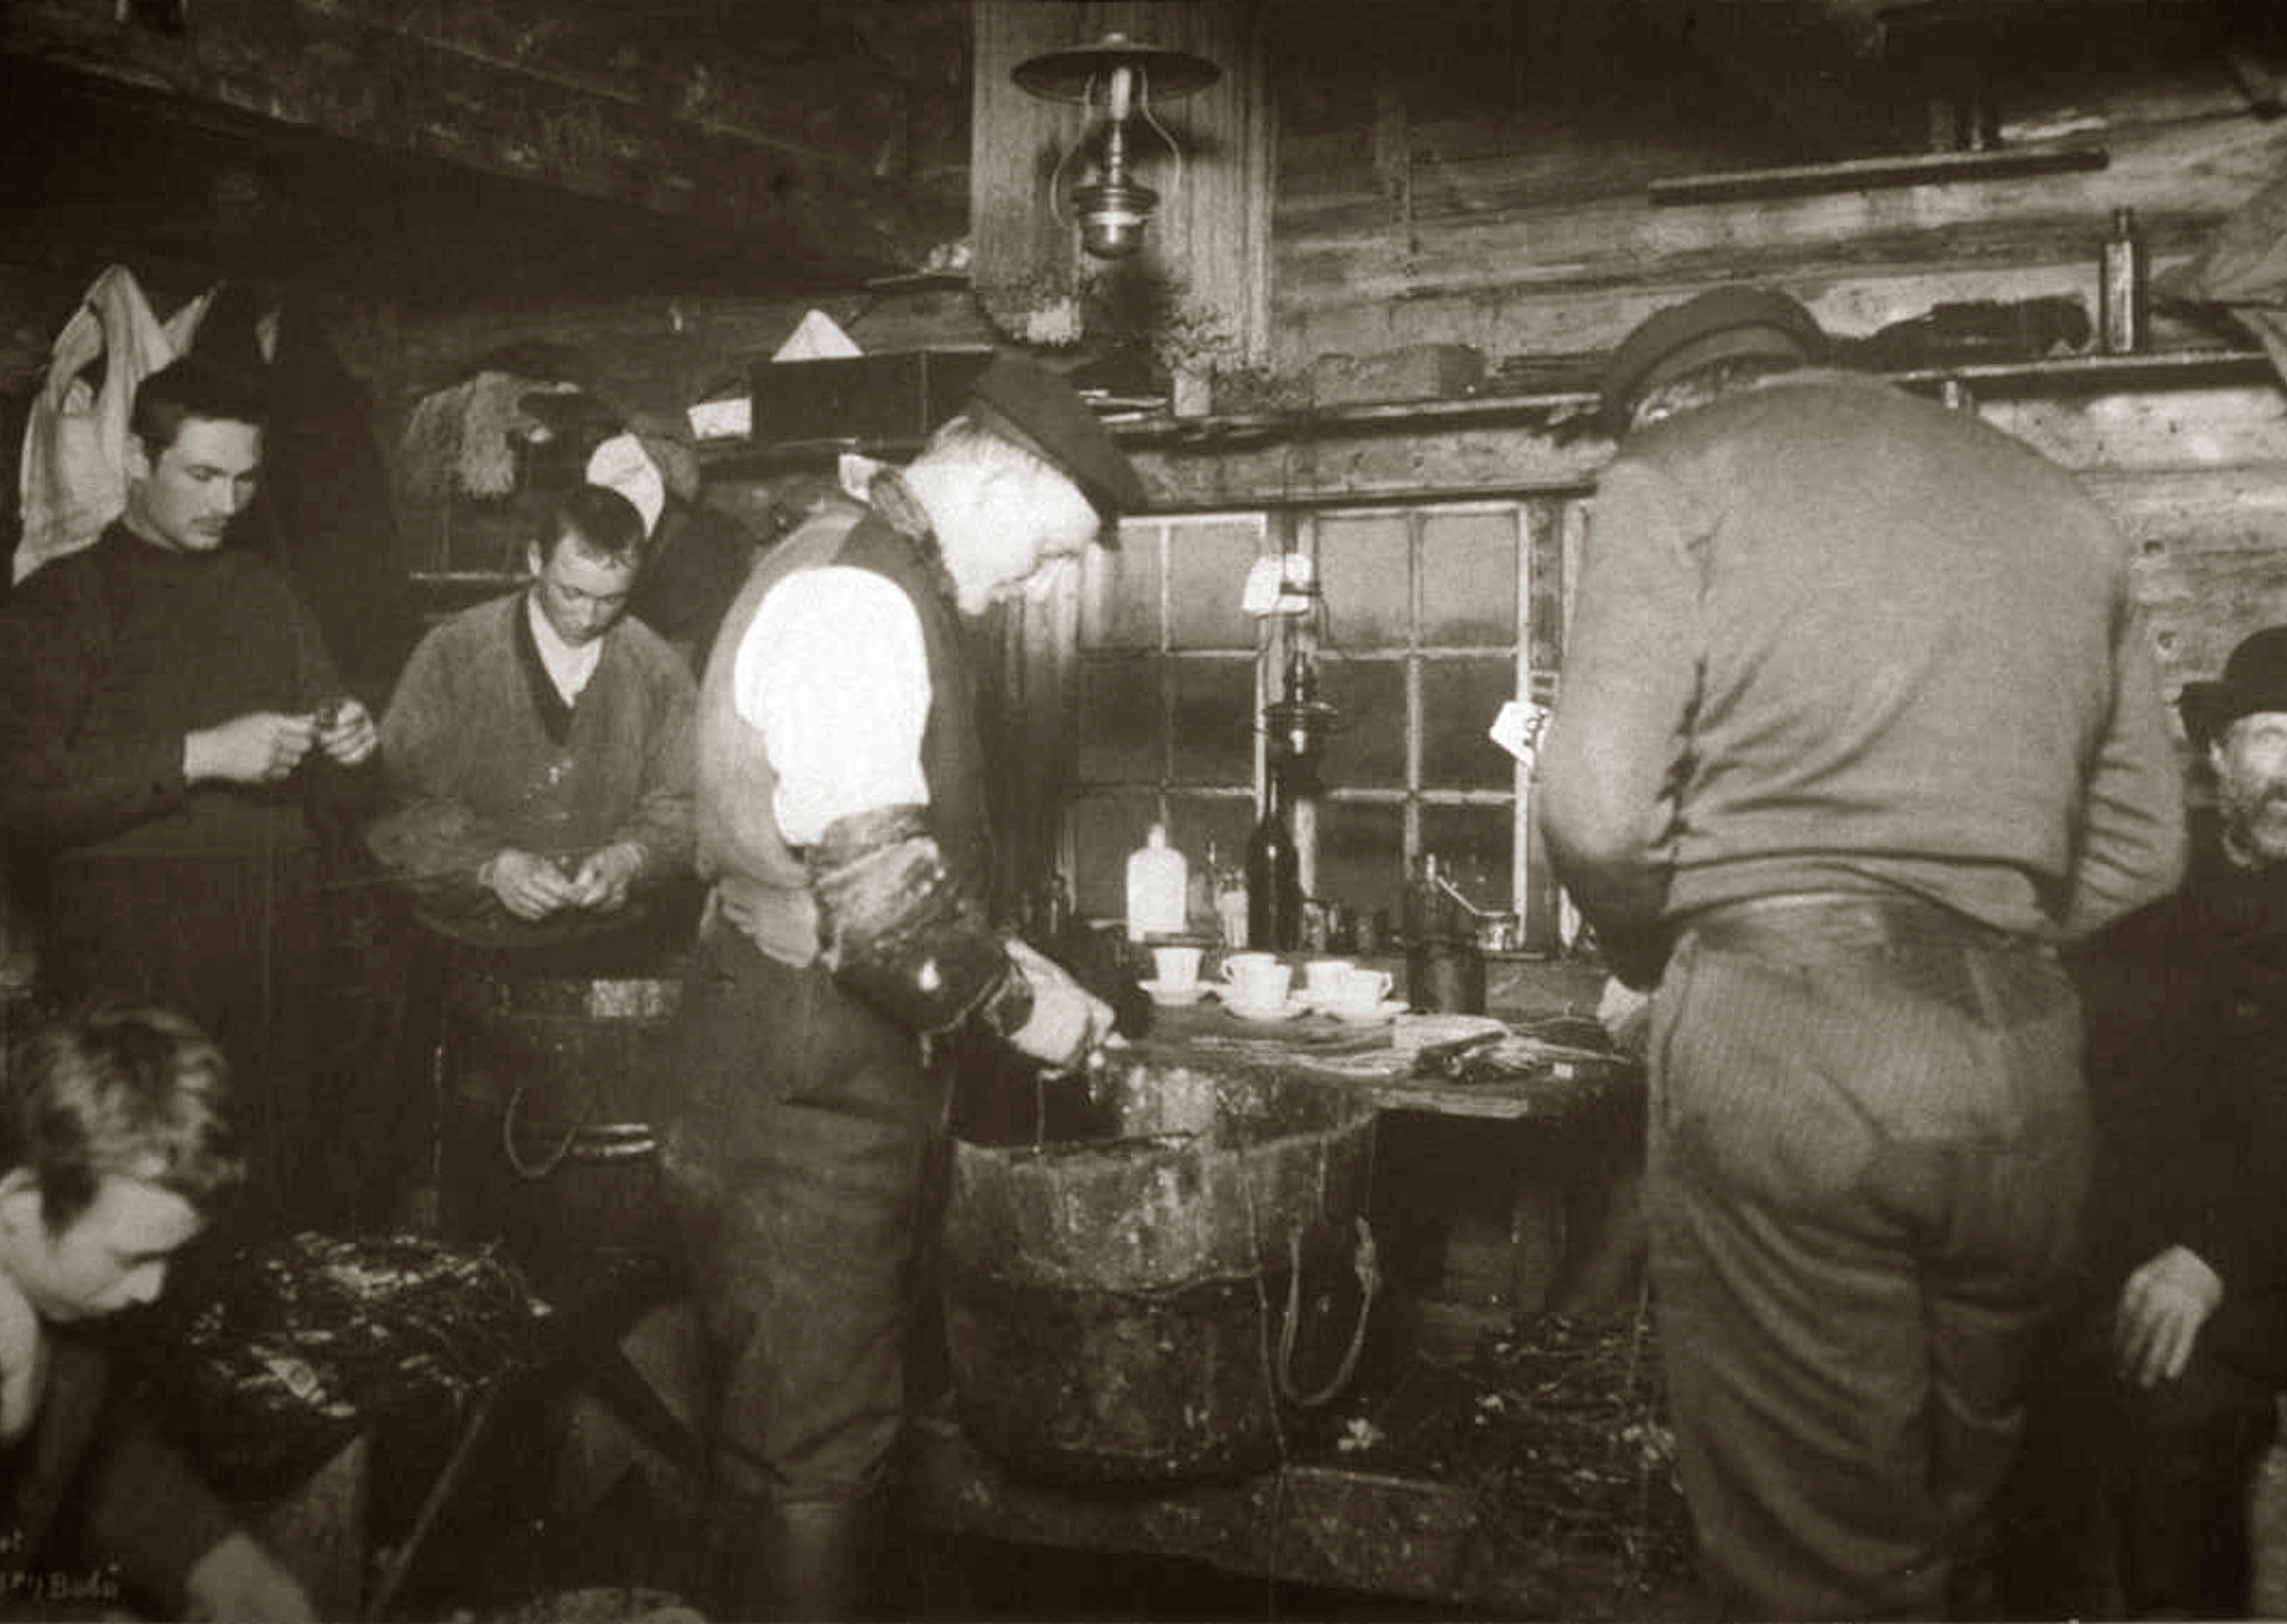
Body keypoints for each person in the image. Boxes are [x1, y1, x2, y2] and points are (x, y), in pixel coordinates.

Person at [1534, 284, 2187, 1619]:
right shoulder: (2054, 499)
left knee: (1818, 1566)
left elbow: (1596, 811)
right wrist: (1961, 933)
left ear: (1663, 405)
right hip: (2023, 1069)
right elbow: (2146, 850)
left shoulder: (1670, 475)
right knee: (1965, 1524)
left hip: (1795, 1052)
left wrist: (1664, 947)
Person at [659, 351, 1144, 1620]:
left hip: (816, 1058)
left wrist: (1010, 956)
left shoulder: (860, 562)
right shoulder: (856, 605)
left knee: (814, 1418)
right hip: (802, 1083)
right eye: (1048, 547)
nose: (1039, 581)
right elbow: (876, 913)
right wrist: (1033, 1017)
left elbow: (875, 856)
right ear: (997, 477)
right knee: (812, 1445)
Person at [0, 356, 379, 1232]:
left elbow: (324, 702)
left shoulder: (266, 588)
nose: (227, 502)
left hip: (279, 936)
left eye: (246, 478)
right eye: (202, 474)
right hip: (134, 947)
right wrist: (199, 754)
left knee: (269, 1181)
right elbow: (20, 792)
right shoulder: (63, 601)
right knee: (145, 1189)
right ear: (137, 459)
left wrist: (348, 730)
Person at [2001, 624, 2287, 1619]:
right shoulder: (2160, 889)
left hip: (2255, 1265)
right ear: (2219, 753)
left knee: (2181, 1415)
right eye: (2272, 736)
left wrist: (2214, 1259)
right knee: (2022, 1386)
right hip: (2141, 1242)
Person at [0, 1000, 314, 1623]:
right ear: (19, 1204)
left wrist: (213, 1555)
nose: (152, 1290)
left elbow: (96, 1452)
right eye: (131, 1257)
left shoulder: (63, 1325)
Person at [366, 482, 697, 947]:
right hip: (469, 942)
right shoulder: (456, 652)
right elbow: (395, 804)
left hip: (609, 942)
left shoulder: (658, 668)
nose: (588, 617)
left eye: (612, 599)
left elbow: (687, 803)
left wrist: (633, 859)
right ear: (536, 561)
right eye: (572, 593)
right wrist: (489, 867)